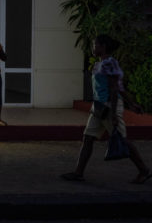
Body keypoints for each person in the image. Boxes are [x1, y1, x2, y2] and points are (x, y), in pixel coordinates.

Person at [61, 34, 151, 184]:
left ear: (103, 47)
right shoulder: (101, 63)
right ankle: (78, 173)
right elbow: (119, 87)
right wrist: (132, 104)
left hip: (109, 107)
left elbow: (115, 89)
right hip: (99, 107)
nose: (93, 48)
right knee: (88, 138)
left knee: (121, 140)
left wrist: (115, 113)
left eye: (95, 45)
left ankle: (144, 170)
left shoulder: (110, 63)